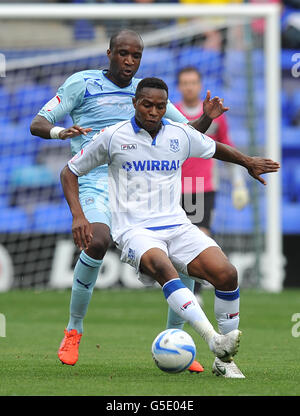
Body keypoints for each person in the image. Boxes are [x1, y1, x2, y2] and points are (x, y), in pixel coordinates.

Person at [30, 29, 228, 372]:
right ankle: (74, 328)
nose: (129, 61)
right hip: (94, 182)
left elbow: (189, 133)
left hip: (141, 188)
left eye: (135, 56)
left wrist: (208, 117)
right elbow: (38, 123)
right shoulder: (83, 83)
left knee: (184, 250)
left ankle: (174, 338)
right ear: (109, 53)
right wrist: (62, 132)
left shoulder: (147, 95)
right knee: (98, 240)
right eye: (123, 53)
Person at [60, 77, 280, 378]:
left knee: (227, 274)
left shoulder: (178, 134)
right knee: (164, 267)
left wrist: (247, 162)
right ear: (135, 103)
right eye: (147, 104)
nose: (153, 111)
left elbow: (213, 147)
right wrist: (78, 216)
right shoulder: (112, 137)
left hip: (176, 224)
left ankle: (224, 360)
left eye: (160, 106)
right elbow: (69, 171)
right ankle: (213, 340)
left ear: (166, 107)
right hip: (135, 230)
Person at [173, 66, 249, 306]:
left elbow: (228, 148)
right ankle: (182, 286)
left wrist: (239, 184)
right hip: (174, 186)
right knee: (176, 238)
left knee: (200, 234)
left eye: (193, 82)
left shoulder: (216, 117)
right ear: (179, 86)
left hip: (201, 185)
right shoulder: (172, 113)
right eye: (184, 82)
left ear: (200, 84)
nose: (189, 86)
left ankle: (194, 292)